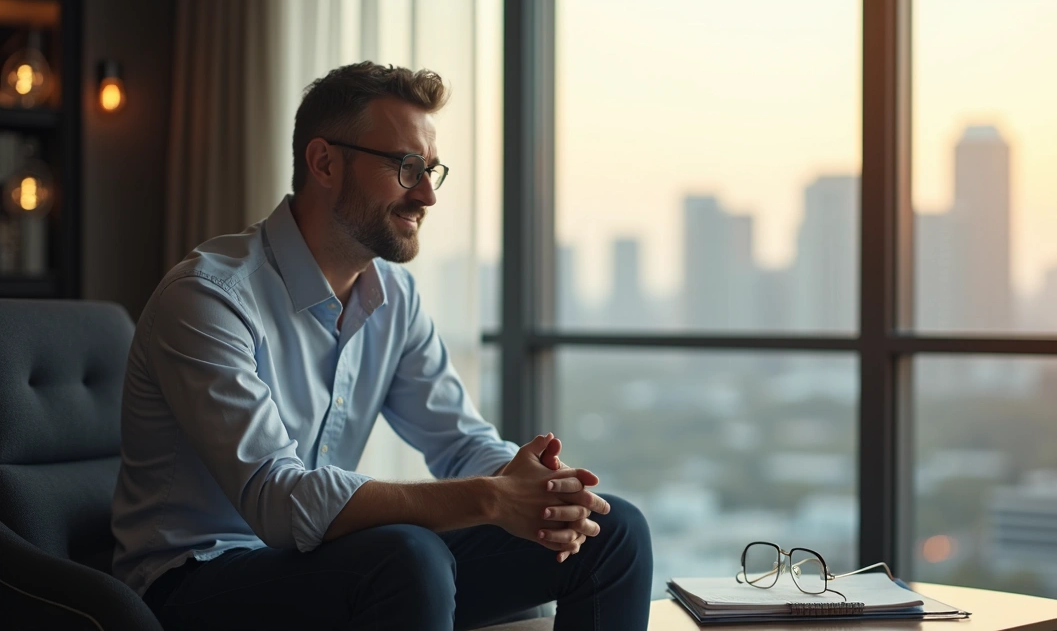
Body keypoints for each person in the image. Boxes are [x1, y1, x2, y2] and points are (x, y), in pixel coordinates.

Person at [110, 61, 653, 630]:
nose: (426, 194)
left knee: (614, 533)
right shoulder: (208, 299)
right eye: (404, 166)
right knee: (406, 557)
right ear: (323, 162)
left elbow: (460, 442)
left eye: (431, 170)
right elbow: (277, 500)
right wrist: (494, 499)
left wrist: (536, 489)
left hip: (327, 565)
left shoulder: (394, 296)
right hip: (194, 581)